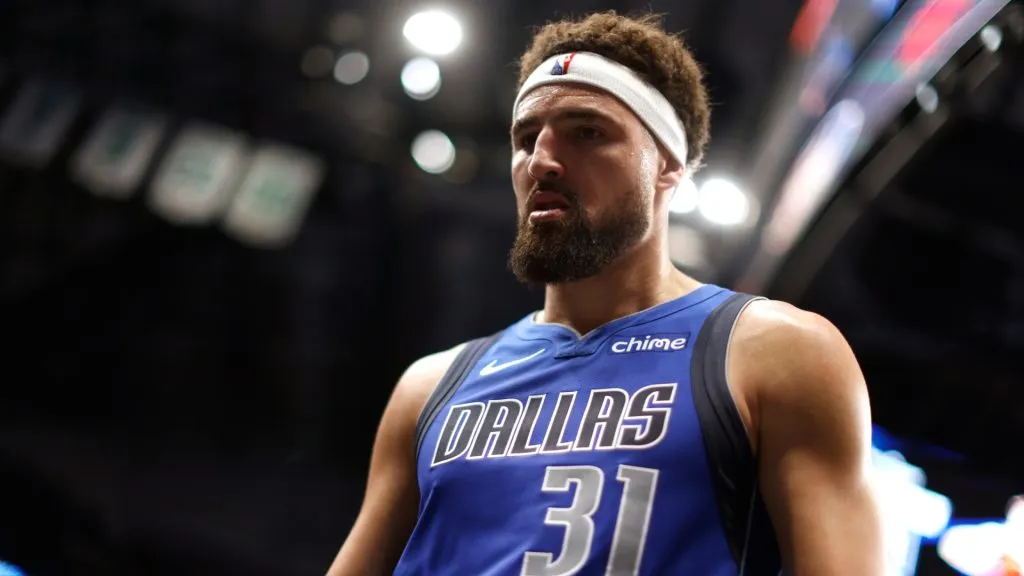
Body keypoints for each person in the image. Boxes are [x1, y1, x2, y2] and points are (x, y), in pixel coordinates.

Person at [327, 11, 884, 576]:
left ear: (667, 165)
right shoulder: (429, 387)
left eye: (587, 132)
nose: (541, 160)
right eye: (526, 138)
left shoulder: (775, 354)